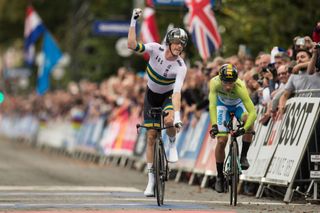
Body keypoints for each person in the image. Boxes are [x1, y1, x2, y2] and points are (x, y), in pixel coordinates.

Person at [127, 8, 188, 197]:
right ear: (169, 42)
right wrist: (133, 21)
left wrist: (177, 117)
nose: (179, 47)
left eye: (182, 45)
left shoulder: (181, 67)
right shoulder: (155, 49)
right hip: (151, 95)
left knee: (169, 122)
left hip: (168, 96)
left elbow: (177, 92)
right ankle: (151, 179)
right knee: (151, 136)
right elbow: (131, 45)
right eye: (177, 43)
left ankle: (171, 142)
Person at [208, 64, 257, 193]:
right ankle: (219, 176)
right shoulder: (214, 83)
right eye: (226, 83)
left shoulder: (240, 86)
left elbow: (253, 113)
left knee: (249, 122)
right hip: (221, 106)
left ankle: (243, 156)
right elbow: (212, 105)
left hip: (238, 106)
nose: (229, 86)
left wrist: (244, 128)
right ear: (220, 79)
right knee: (222, 140)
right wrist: (214, 126)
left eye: (231, 83)